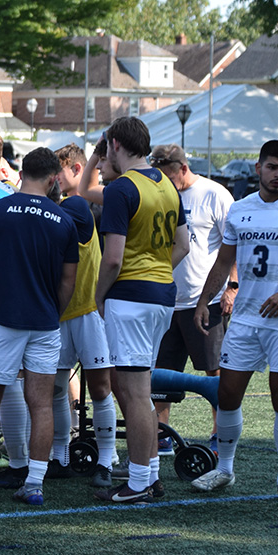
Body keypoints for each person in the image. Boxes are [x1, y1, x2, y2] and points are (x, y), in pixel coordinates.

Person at [191, 140, 278, 503]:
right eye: (273, 167)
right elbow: (223, 262)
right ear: (258, 168)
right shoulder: (240, 210)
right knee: (227, 394)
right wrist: (205, 300)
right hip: (245, 320)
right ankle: (225, 469)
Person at [0, 147, 79, 505]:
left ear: (22, 172)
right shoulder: (63, 219)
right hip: (44, 321)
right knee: (40, 404)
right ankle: (35, 483)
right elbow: (69, 280)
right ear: (55, 178)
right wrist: (53, 310)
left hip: (2, 319)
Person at [94, 117, 189, 504]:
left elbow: (113, 259)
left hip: (132, 296)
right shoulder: (166, 183)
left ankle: (138, 482)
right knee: (142, 392)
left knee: (133, 394)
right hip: (162, 293)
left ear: (115, 144)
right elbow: (183, 245)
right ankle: (149, 473)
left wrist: (99, 296)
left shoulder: (122, 188)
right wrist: (155, 266)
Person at [150, 144, 237, 456]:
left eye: (167, 175)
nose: (164, 181)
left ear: (182, 168)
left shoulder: (215, 194)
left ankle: (219, 434)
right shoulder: (159, 193)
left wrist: (232, 287)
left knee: (214, 371)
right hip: (165, 301)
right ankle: (160, 435)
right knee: (161, 371)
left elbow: (233, 244)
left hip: (206, 301)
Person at [50, 143, 118, 489]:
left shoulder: (75, 206)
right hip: (61, 313)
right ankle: (60, 454)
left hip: (88, 310)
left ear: (74, 170)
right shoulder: (53, 207)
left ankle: (106, 458)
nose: (54, 180)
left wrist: (94, 158)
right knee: (56, 387)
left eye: (58, 172)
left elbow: (81, 194)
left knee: (102, 388)